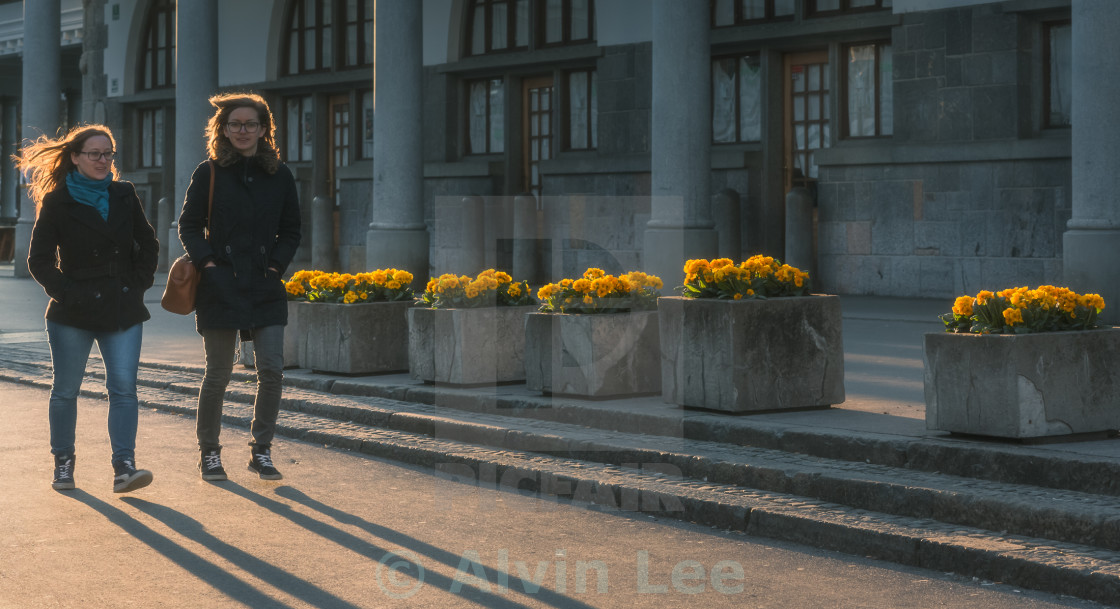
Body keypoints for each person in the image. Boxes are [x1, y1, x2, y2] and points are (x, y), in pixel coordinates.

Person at [19, 124, 159, 493]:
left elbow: (149, 243)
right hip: (73, 311)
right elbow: (39, 260)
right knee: (66, 390)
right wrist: (69, 293)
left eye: (108, 153)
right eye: (94, 154)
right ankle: (63, 463)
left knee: (124, 389)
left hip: (122, 306)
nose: (103, 160)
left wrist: (137, 284)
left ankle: (124, 467)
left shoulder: (125, 194)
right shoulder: (57, 201)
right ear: (76, 157)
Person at [178, 92, 301, 481]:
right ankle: (209, 452)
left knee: (272, 370)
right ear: (223, 130)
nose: (243, 131)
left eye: (250, 124)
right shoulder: (209, 172)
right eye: (235, 124)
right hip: (220, 284)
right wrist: (209, 264)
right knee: (217, 374)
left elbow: (292, 228)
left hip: (265, 284)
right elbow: (189, 225)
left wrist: (276, 265)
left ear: (264, 129)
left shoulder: (279, 174)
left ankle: (260, 451)